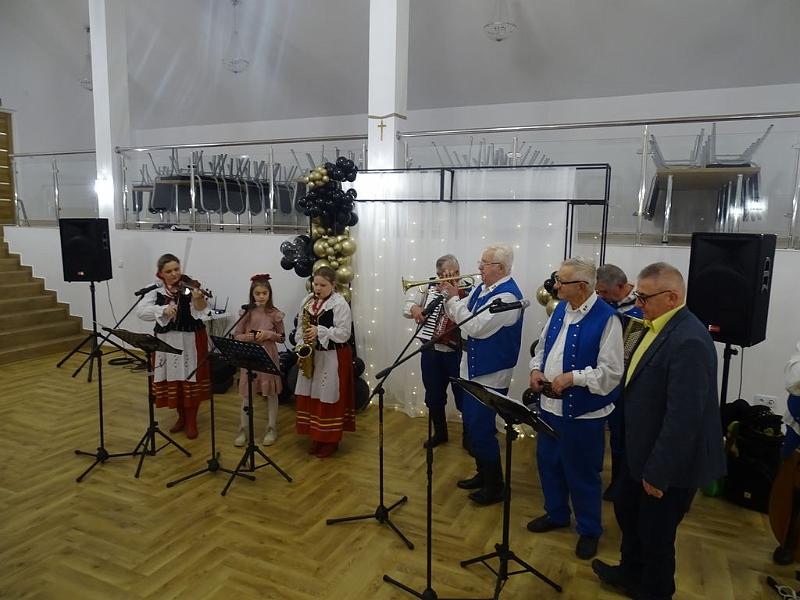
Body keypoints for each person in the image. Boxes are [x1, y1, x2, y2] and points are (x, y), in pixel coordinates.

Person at [592, 262, 725, 600]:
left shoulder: (689, 340)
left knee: (656, 535)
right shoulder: (648, 324)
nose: (638, 303)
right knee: (629, 515)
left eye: (644, 298)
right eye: (637, 295)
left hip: (667, 463)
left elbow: (684, 417)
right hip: (639, 449)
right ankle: (629, 573)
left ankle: (655, 591)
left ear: (672, 297)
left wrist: (658, 472)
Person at [527, 257, 624, 560]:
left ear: (581, 287)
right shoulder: (560, 310)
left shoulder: (607, 319)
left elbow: (612, 372)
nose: (555, 286)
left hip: (583, 415)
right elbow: (543, 346)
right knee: (549, 464)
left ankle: (589, 530)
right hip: (549, 407)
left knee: (582, 473)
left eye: (561, 281)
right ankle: (556, 514)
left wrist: (574, 378)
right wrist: (535, 368)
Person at [439, 243, 523, 506]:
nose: (479, 267)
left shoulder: (507, 298)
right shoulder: (482, 288)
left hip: (491, 372)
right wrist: (452, 299)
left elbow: (474, 326)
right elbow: (458, 314)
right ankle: (483, 474)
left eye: (484, 263)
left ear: (501, 268)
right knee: (472, 425)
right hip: (472, 366)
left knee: (482, 427)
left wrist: (454, 299)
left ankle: (496, 485)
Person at [136, 253, 211, 439]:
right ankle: (181, 418)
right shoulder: (155, 289)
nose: (174, 274)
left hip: (190, 339)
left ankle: (192, 420)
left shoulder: (190, 286)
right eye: (169, 271)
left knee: (190, 378)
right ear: (161, 273)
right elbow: (141, 312)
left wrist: (198, 298)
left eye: (176, 269)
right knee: (174, 379)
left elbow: (202, 312)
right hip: (166, 341)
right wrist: (163, 310)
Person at [403, 254, 466, 449]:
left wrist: (453, 295)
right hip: (430, 352)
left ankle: (469, 437)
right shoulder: (430, 286)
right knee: (433, 394)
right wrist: (414, 309)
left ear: (457, 271)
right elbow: (407, 305)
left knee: (463, 396)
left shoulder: (469, 290)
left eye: (447, 274)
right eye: (440, 274)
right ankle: (440, 433)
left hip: (457, 353)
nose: (442, 278)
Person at [293, 266, 355, 458]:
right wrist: (301, 343)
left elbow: (344, 333)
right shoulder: (307, 301)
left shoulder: (339, 304)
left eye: (323, 285)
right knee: (313, 396)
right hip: (313, 355)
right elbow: (300, 328)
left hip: (333, 356)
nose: (318, 288)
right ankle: (317, 437)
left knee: (329, 397)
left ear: (333, 285)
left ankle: (330, 440)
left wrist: (320, 331)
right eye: (316, 284)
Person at [596, 263, 643, 501]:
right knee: (611, 432)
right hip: (604, 379)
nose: (602, 296)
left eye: (605, 292)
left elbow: (629, 351)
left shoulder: (640, 309)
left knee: (622, 434)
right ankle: (612, 478)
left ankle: (622, 482)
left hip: (631, 382)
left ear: (623, 286)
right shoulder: (606, 306)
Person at [232, 274, 285, 447]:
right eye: (257, 293)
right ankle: (243, 429)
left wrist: (268, 334)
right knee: (247, 395)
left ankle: (271, 428)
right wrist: (249, 337)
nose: (261, 297)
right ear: (252, 295)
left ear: (269, 294)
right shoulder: (246, 313)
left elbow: (282, 337)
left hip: (268, 355)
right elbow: (236, 335)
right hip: (250, 355)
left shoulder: (274, 313)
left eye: (264, 293)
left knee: (271, 393)